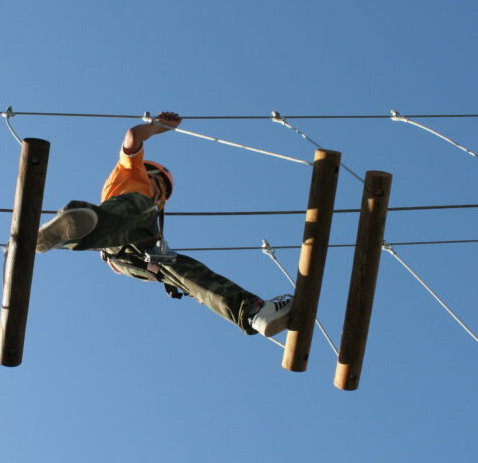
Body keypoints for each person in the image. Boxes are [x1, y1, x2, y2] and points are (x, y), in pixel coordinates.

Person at [35, 111, 293, 337]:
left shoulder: (153, 211)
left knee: (182, 268)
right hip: (116, 227)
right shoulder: (131, 174)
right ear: (150, 173)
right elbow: (133, 137)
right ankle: (74, 229)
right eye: (159, 185)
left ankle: (252, 313)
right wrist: (159, 127)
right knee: (140, 206)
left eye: (164, 193)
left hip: (128, 256)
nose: (160, 194)